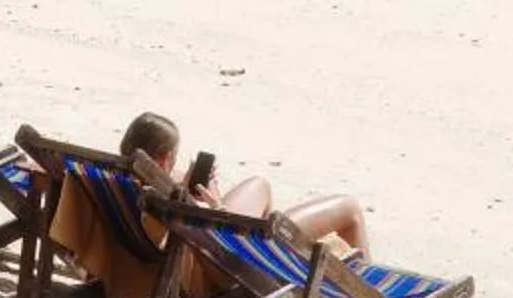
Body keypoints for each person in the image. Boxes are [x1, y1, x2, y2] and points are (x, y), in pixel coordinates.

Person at [121, 110, 373, 257]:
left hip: (201, 255)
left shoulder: (113, 182)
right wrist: (216, 209)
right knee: (349, 209)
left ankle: (272, 277)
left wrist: (186, 194)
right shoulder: (157, 201)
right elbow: (212, 243)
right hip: (227, 265)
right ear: (166, 158)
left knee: (259, 184)